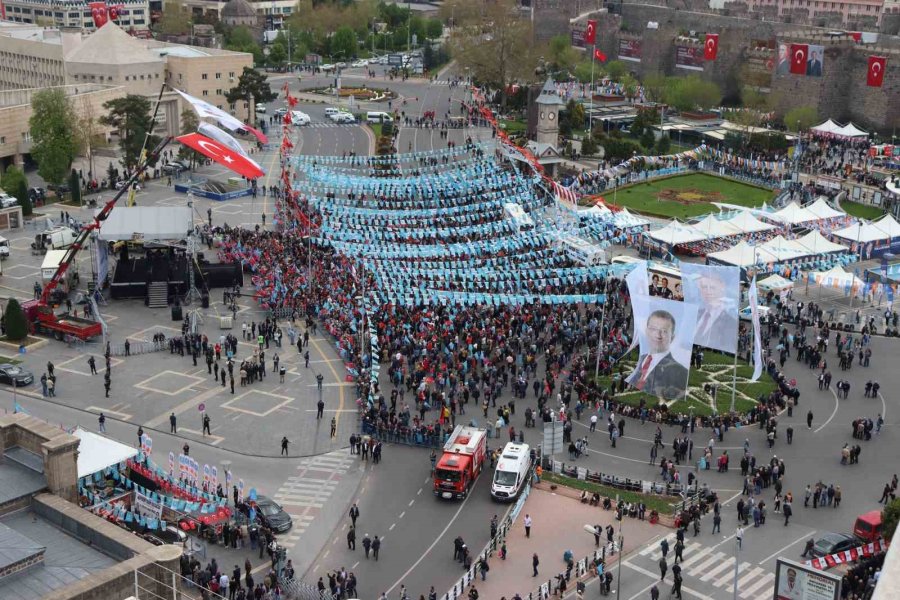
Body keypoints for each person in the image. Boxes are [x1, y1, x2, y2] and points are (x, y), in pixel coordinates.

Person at [626, 310, 689, 401]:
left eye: (664, 331)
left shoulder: (680, 372)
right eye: (653, 329)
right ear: (646, 331)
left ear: (672, 337)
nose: (658, 335)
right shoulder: (641, 358)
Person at [688, 269, 738, 352]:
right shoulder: (696, 314)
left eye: (712, 287)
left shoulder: (730, 321)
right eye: (704, 287)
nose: (708, 291)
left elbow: (727, 347)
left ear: (722, 287)